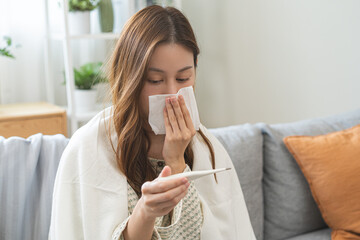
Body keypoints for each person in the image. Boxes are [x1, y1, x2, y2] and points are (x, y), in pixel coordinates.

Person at [49, 5, 256, 240]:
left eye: (183, 78)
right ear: (130, 77)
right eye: (155, 80)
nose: (172, 93)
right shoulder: (89, 148)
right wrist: (146, 211)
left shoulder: (208, 149)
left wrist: (176, 162)